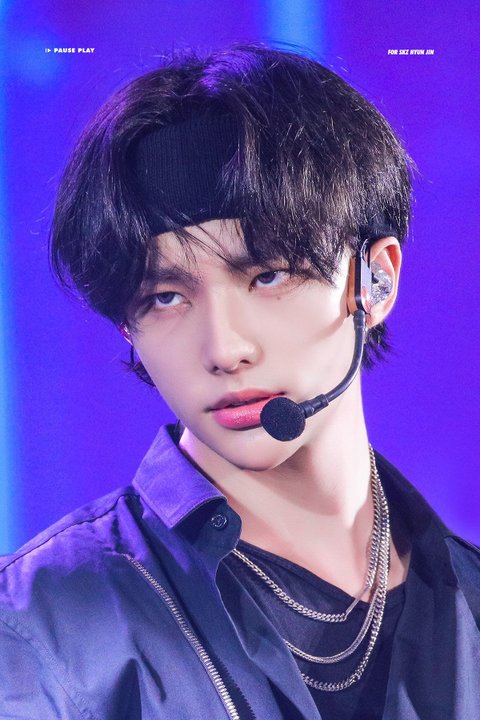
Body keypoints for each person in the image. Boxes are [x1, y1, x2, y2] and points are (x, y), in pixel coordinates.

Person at [0, 43, 478, 720]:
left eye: (268, 275)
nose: (225, 349)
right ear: (127, 327)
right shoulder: (35, 629)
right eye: (166, 296)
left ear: (375, 280)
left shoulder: (467, 597)